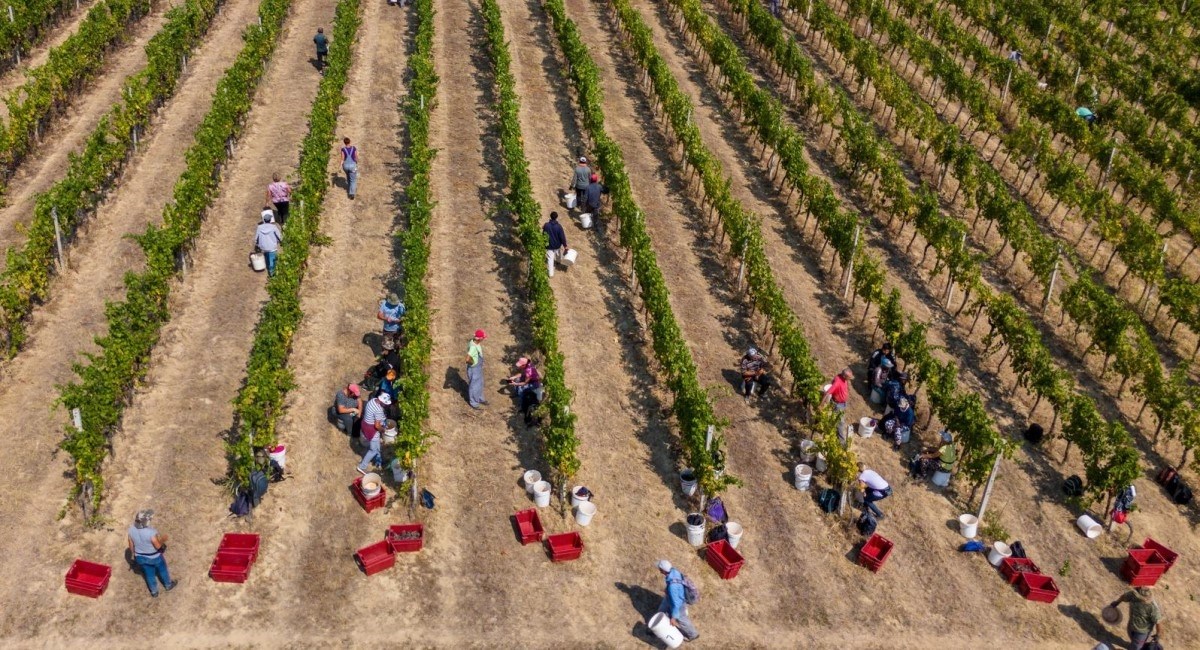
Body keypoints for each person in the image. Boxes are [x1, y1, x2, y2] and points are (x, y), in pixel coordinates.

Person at [127, 510, 178, 598]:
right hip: (154, 557)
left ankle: (154, 592)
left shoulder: (131, 529)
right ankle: (168, 585)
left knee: (149, 574)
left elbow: (131, 543)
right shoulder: (151, 532)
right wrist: (163, 540)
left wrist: (134, 554)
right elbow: (157, 546)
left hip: (140, 557)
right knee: (162, 570)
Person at [656, 560, 699, 642]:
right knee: (662, 610)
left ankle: (693, 634)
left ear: (663, 570)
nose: (658, 569)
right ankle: (661, 623)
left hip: (678, 604)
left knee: (682, 620)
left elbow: (676, 603)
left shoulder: (673, 588)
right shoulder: (674, 571)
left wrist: (674, 618)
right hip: (669, 598)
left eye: (659, 568)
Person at [357, 392, 390, 473]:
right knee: (373, 449)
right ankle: (362, 466)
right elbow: (377, 426)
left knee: (376, 443)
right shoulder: (378, 410)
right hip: (371, 429)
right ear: (382, 402)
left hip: (365, 423)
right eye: (385, 404)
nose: (386, 406)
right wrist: (383, 430)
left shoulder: (373, 400)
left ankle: (378, 460)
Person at [505, 357, 542, 426]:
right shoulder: (528, 365)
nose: (519, 367)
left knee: (522, 390)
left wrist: (514, 384)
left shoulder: (529, 370)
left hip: (533, 384)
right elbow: (522, 375)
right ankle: (517, 394)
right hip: (529, 380)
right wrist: (514, 377)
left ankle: (522, 405)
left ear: (524, 365)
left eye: (520, 365)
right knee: (517, 380)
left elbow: (525, 383)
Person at [822, 367, 853, 440]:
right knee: (841, 424)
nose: (850, 378)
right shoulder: (837, 383)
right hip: (838, 405)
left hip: (842, 404)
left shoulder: (842, 378)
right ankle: (841, 442)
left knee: (835, 419)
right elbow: (827, 393)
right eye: (849, 377)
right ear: (844, 376)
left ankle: (830, 430)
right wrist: (821, 404)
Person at [254, 211, 283, 278]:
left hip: (263, 246)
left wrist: (257, 244)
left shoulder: (259, 227)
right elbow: (279, 236)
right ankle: (272, 273)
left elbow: (256, 238)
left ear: (264, 220)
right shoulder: (273, 227)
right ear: (270, 220)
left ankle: (269, 268)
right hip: (272, 246)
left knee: (267, 256)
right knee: (272, 260)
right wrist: (281, 241)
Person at [466, 329, 487, 409]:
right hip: (474, 369)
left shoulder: (474, 341)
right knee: (474, 386)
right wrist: (473, 363)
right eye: (483, 337)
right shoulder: (473, 347)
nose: (484, 339)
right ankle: (474, 403)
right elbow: (467, 359)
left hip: (477, 368)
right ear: (480, 338)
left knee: (480, 383)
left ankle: (480, 398)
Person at [543, 211, 568, 277]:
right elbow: (562, 237)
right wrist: (565, 246)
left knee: (550, 260)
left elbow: (543, 234)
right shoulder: (559, 227)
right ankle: (558, 262)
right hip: (557, 245)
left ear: (550, 217)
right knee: (558, 253)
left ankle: (551, 274)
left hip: (549, 245)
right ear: (556, 217)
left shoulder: (546, 225)